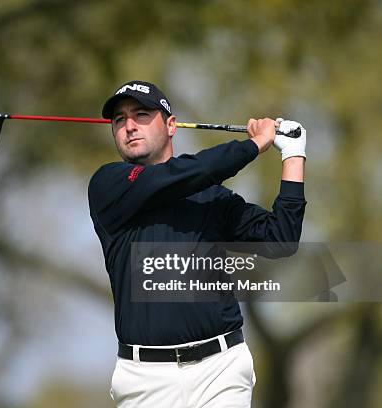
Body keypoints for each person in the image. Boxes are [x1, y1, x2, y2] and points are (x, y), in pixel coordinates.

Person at [87, 80, 306, 407]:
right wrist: (253, 145)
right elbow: (186, 174)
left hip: (221, 370)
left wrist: (293, 154)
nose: (129, 126)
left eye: (141, 114)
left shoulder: (212, 199)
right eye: (119, 120)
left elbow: (281, 239)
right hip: (142, 380)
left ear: (171, 125)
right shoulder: (108, 186)